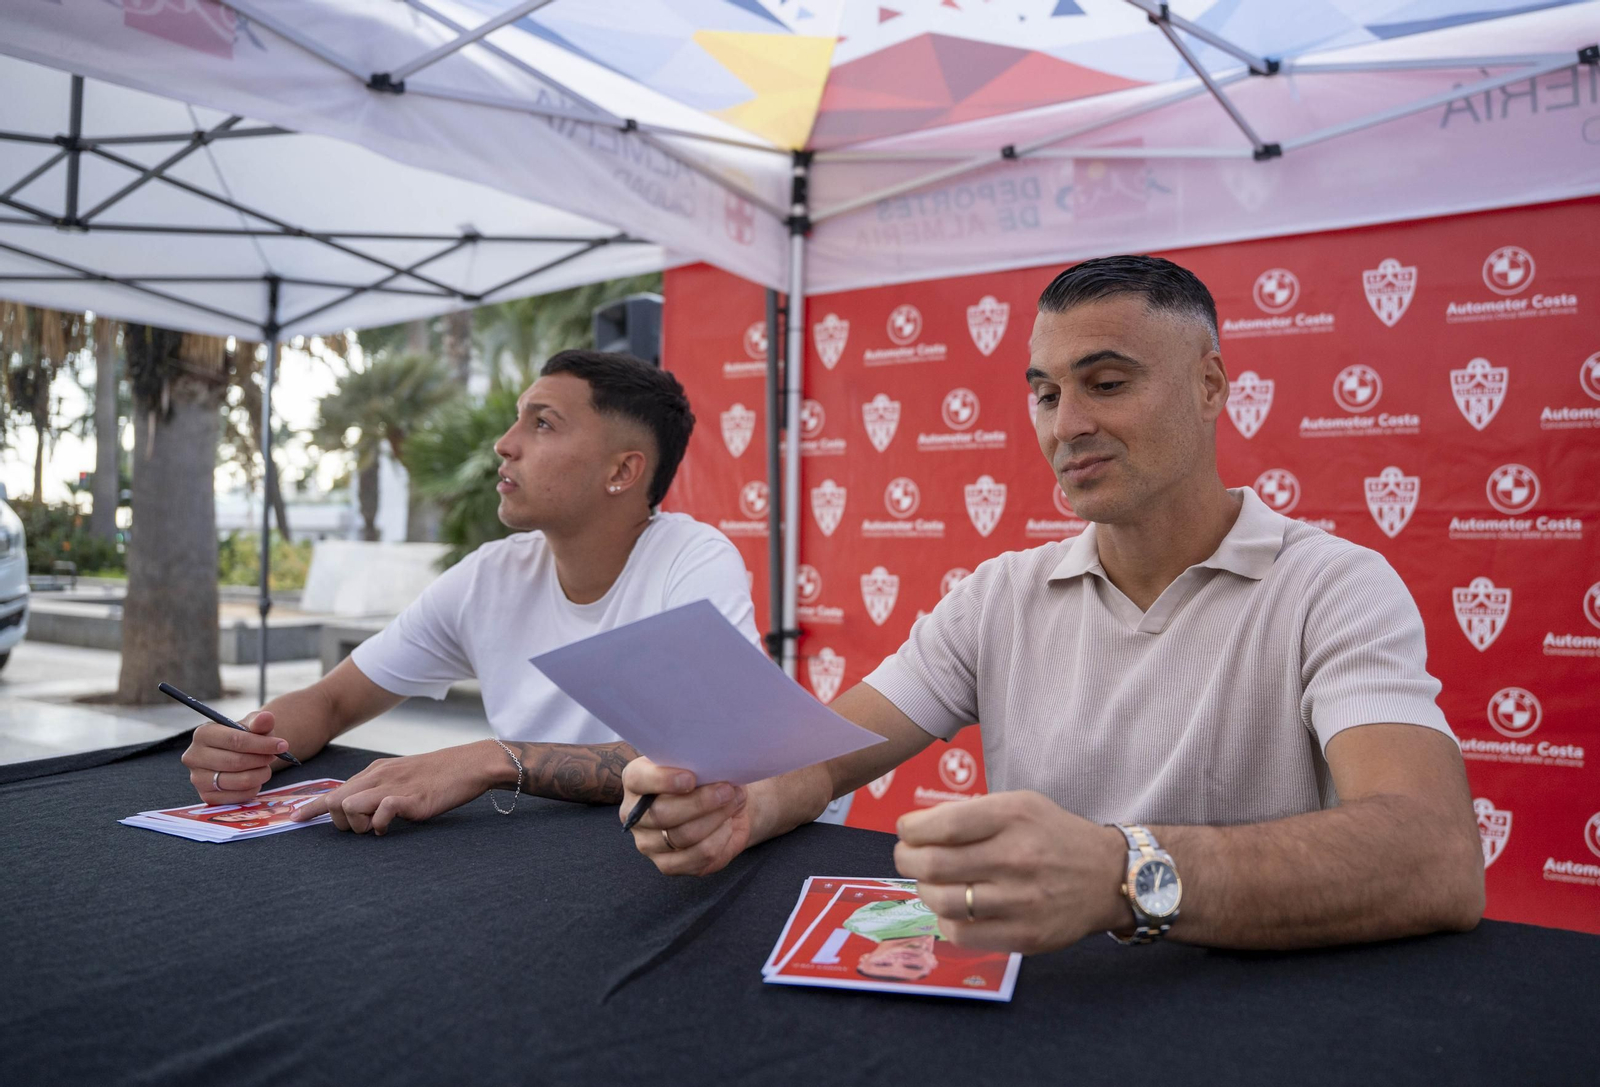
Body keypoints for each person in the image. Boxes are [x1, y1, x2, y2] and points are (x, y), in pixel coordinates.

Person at [623, 256, 1485, 952]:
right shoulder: (1000, 594)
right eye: (1044, 392)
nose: (1066, 422)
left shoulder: (1333, 584)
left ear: (1212, 385)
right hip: (1037, 1019)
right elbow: (821, 758)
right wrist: (742, 807)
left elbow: (1433, 853)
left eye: (1106, 383)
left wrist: (1122, 872)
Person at [181, 349, 757, 835]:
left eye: (543, 423)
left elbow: (706, 755)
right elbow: (335, 700)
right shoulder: (492, 575)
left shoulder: (693, 560)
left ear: (623, 472)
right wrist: (250, 742)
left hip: (675, 867)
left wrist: (492, 760)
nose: (505, 444)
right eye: (516, 421)